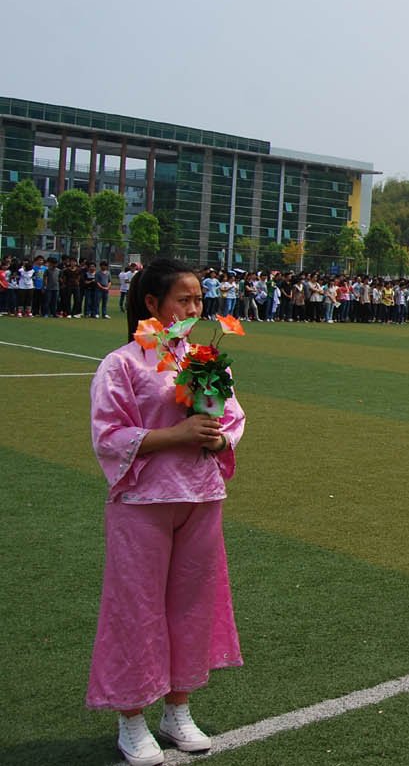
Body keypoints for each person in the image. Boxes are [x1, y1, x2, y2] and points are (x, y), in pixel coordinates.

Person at [87, 258, 245, 766]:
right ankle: (130, 717)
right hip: (143, 502)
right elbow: (108, 436)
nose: (195, 308)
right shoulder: (123, 364)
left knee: (191, 607)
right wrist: (173, 436)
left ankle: (178, 707)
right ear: (153, 304)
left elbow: (234, 416)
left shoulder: (203, 357)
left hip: (200, 498)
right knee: (136, 607)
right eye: (184, 299)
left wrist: (220, 434)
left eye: (199, 299)